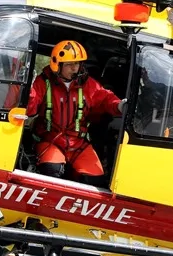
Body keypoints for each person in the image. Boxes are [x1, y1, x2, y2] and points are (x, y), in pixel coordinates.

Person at [26, 40, 125, 185]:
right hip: (50, 140)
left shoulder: (88, 84)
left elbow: (106, 98)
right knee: (52, 170)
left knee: (95, 180)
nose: (74, 68)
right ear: (57, 65)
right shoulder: (43, 82)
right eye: (69, 64)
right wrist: (27, 92)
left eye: (77, 63)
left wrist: (120, 105)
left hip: (78, 143)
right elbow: (30, 109)